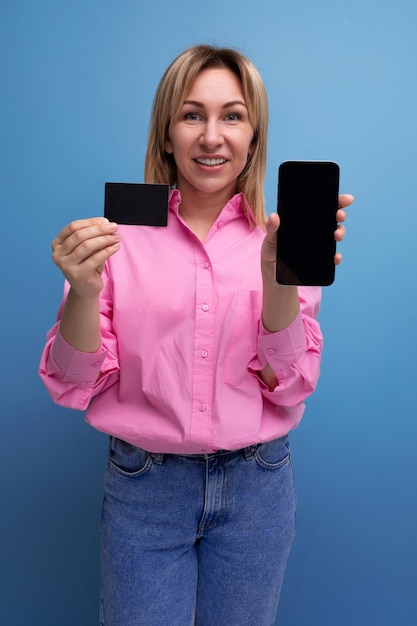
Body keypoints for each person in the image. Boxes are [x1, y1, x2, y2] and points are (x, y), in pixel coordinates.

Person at [39, 44, 353, 626]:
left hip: (258, 488)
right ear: (166, 133)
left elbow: (289, 383)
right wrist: (82, 291)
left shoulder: (282, 237)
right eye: (192, 115)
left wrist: (276, 275)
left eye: (232, 115)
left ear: (254, 135)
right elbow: (74, 383)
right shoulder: (118, 236)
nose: (212, 135)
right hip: (144, 489)